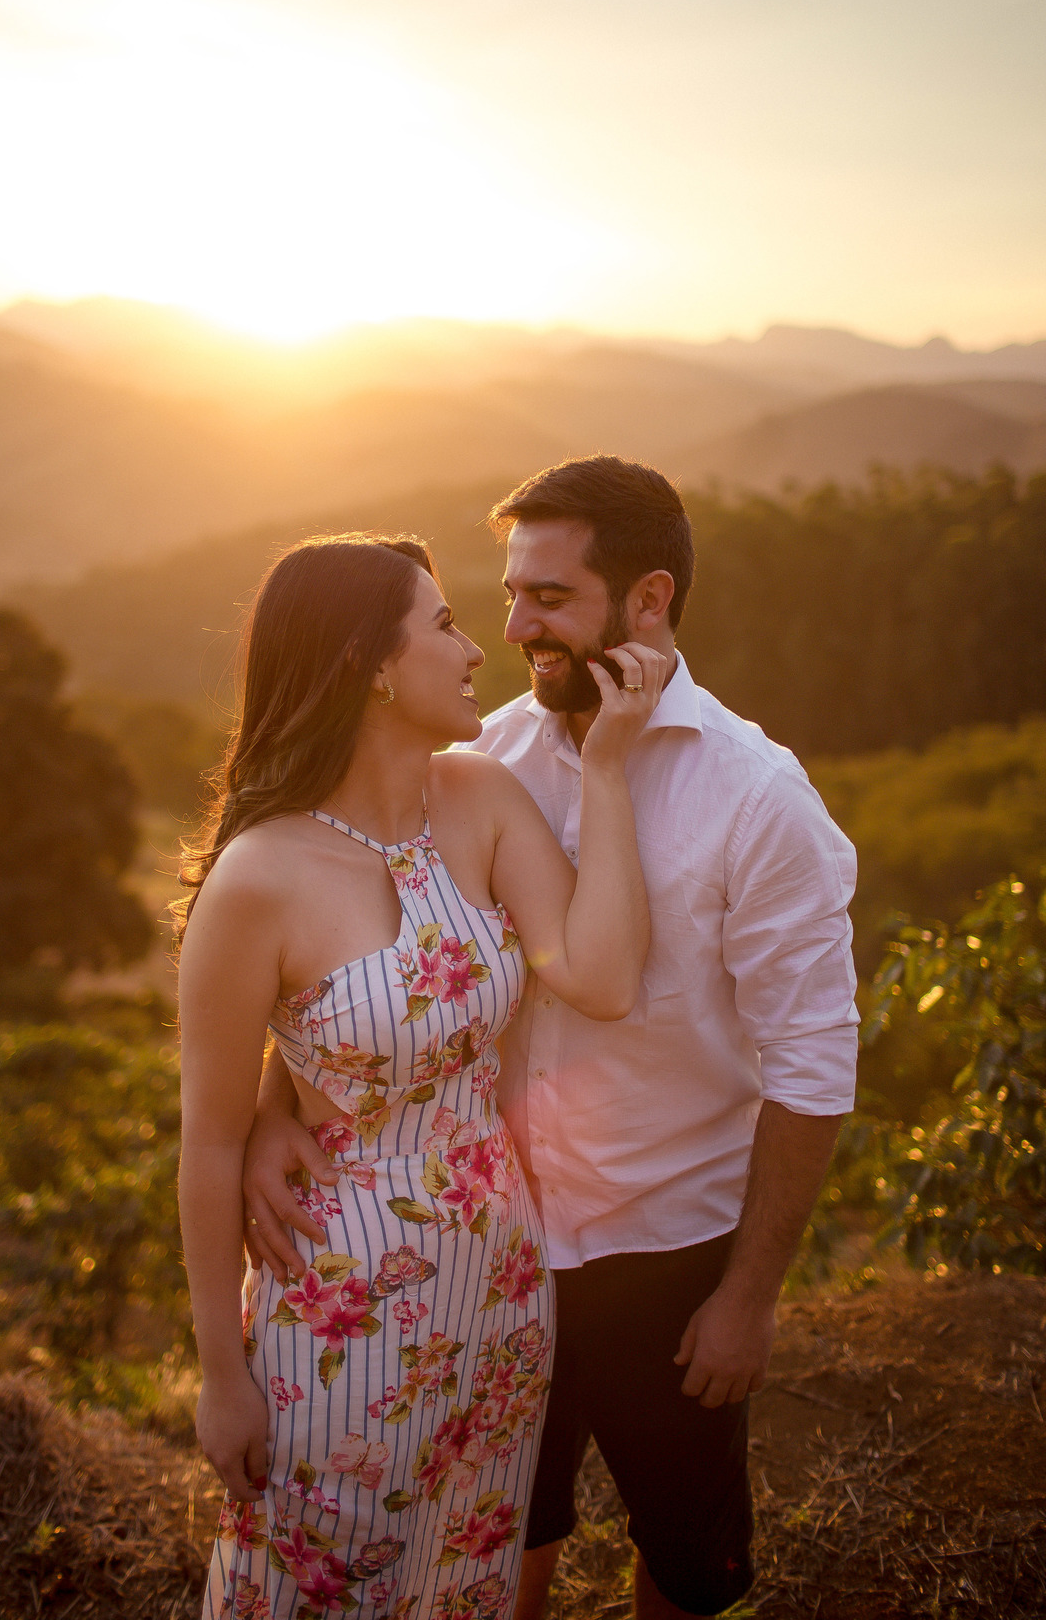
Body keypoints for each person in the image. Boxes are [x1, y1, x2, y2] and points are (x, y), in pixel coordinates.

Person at [240, 460, 860, 1620]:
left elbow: (816, 1066)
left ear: (650, 600)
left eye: (551, 598)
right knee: (499, 1541)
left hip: (666, 1254)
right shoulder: (476, 760)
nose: (514, 626)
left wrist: (750, 1295)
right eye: (507, 594)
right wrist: (281, 1095)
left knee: (686, 1562)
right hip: (490, 1252)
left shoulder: (759, 798)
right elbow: (374, 948)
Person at [177, 531, 666, 1620]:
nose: (475, 649)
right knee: (316, 1586)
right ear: (372, 663)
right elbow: (208, 1142)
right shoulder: (258, 878)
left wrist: (611, 767)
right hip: (338, 1305)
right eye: (444, 625)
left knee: (463, 1582)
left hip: (498, 1287)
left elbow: (601, 977)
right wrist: (220, 1373)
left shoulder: (481, 798)